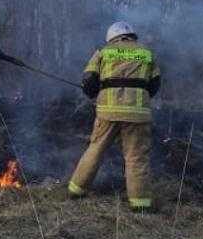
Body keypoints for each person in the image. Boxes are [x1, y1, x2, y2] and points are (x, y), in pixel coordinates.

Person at [68, 21, 162, 212]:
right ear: (132, 36)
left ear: (111, 38)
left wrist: (93, 92)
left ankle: (76, 190)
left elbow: (88, 80)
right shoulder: (147, 54)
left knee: (95, 149)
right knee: (136, 157)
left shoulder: (104, 52)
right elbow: (154, 85)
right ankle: (140, 204)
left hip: (108, 112)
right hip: (138, 114)